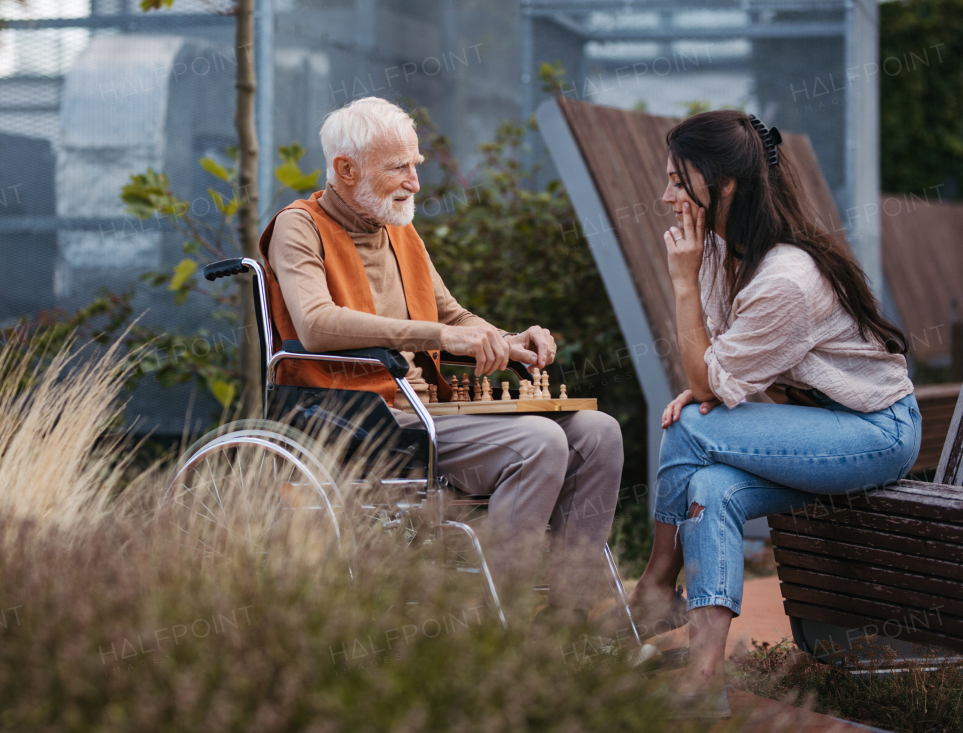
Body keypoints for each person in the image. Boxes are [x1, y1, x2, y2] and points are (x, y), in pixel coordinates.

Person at [259, 96, 623, 607]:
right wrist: (439, 338)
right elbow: (316, 326)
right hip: (364, 416)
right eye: (399, 168)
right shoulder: (299, 226)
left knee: (599, 433)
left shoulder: (400, 231)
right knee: (539, 440)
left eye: (416, 166)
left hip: (430, 412)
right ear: (345, 169)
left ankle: (574, 614)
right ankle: (505, 624)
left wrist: (510, 342)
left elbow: (452, 318)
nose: (415, 183)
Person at [626, 110, 919, 716]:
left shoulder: (786, 276)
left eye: (679, 180)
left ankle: (656, 585)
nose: (666, 195)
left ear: (725, 183)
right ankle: (706, 681)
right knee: (711, 487)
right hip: (821, 428)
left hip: (874, 433)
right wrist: (705, 388)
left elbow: (705, 376)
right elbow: (711, 373)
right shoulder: (722, 251)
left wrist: (682, 288)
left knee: (688, 424)